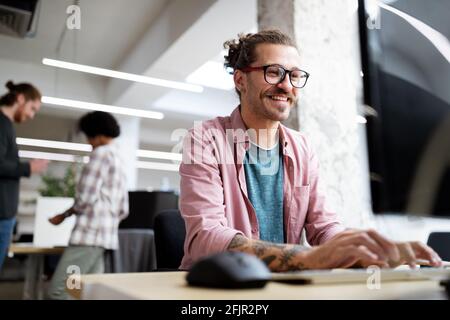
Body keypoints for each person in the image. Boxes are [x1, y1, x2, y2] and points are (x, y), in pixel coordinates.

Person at [179, 30, 442, 271]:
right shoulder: (205, 138)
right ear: (240, 80)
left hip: (285, 286)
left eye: (294, 75)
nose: (286, 85)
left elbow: (323, 227)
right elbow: (205, 237)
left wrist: (366, 250)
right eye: (273, 72)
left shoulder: (301, 147)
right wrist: (308, 258)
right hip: (220, 288)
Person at [47, 111, 128, 299]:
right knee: (87, 293)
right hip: (104, 239)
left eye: (88, 137)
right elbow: (124, 209)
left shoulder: (100, 155)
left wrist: (64, 215)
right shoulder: (119, 158)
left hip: (88, 237)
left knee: (61, 290)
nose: (88, 142)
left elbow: (85, 199)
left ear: (96, 134)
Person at [0, 81, 48, 271]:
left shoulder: (6, 125)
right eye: (32, 108)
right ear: (20, 99)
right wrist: (29, 168)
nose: (31, 115)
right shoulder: (2, 124)